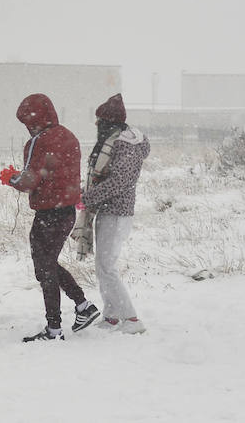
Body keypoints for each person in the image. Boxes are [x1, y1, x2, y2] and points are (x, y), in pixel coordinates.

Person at [0, 92, 100, 341]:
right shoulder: (69, 136)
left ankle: (54, 329)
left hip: (47, 214)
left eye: (26, 122)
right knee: (49, 265)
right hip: (66, 211)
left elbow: (29, 180)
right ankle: (82, 306)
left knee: (44, 269)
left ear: (33, 119)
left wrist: (10, 177)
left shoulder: (39, 141)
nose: (27, 127)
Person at [81, 93, 151, 334]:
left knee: (106, 267)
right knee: (103, 266)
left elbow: (120, 181)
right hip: (109, 210)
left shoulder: (126, 144)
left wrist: (87, 197)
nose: (96, 125)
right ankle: (111, 316)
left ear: (108, 122)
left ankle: (131, 319)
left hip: (118, 212)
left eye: (99, 120)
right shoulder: (116, 143)